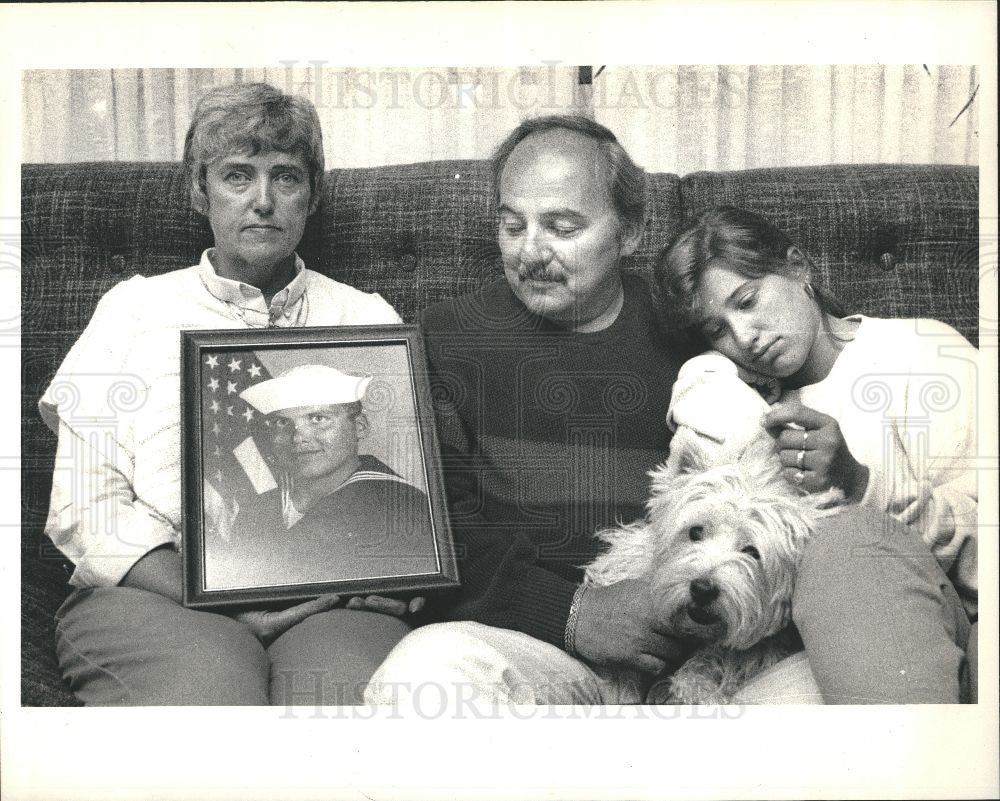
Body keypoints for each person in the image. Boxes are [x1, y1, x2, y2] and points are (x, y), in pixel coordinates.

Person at [367, 119, 973, 706]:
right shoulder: (445, 337)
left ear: (629, 230)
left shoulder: (696, 333)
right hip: (546, 645)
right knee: (426, 670)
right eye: (511, 225)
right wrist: (572, 612)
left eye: (562, 226)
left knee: (825, 694)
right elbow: (428, 526)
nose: (531, 251)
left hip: (727, 653)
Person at [40, 83, 419, 706]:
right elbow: (85, 510)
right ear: (198, 189)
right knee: (206, 699)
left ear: (313, 194)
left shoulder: (367, 316)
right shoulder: (134, 309)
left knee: (345, 700)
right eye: (237, 177)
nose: (263, 202)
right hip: (157, 587)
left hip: (329, 592)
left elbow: (409, 489)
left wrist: (406, 571)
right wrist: (209, 594)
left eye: (286, 178)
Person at [657, 205, 977, 701]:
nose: (744, 338)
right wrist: (713, 377)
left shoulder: (923, 355)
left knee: (846, 540)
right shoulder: (730, 397)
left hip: (940, 621)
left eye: (747, 301)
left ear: (798, 268)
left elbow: (985, 550)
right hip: (801, 645)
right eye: (716, 329)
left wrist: (861, 484)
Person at [205, 364, 437, 588]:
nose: (298, 438)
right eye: (281, 422)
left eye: (318, 419)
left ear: (360, 427)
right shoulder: (259, 508)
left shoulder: (400, 505)